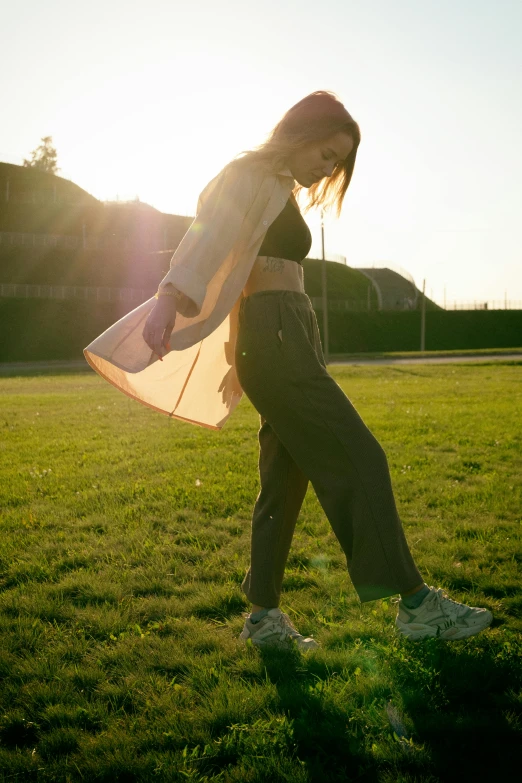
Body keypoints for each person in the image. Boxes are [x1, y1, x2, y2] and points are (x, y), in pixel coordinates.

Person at [89, 91, 493, 651]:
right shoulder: (249, 175)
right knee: (362, 457)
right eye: (326, 153)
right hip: (276, 332)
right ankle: (417, 606)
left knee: (283, 480)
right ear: (300, 134)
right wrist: (168, 298)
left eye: (336, 163)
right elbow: (208, 238)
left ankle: (263, 619)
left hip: (288, 331)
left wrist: (239, 358)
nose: (327, 168)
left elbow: (240, 272)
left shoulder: (279, 190)